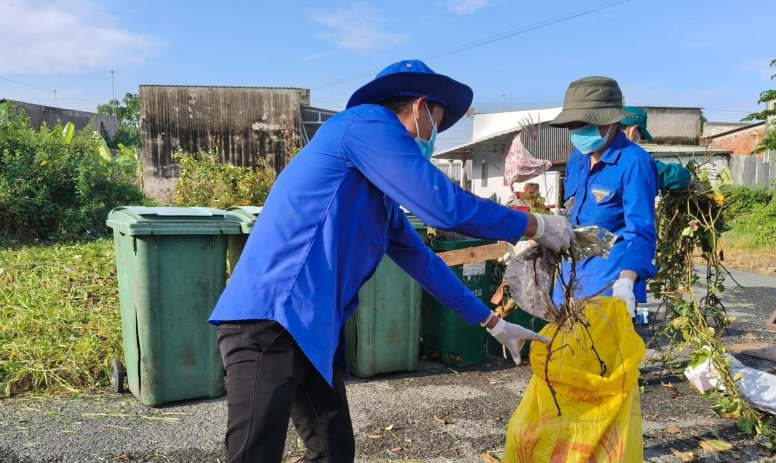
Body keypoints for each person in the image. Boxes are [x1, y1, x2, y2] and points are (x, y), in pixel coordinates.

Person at [207, 59, 575, 463]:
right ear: (419, 107)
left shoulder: (380, 202)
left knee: (333, 452)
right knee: (252, 455)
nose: (433, 137)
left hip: (313, 331)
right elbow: (444, 207)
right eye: (437, 121)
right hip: (269, 321)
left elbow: (427, 265)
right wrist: (534, 224)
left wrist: (494, 323)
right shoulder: (364, 123)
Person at [548, 77, 659, 318]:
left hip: (608, 284)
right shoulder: (577, 159)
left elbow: (641, 231)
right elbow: (571, 214)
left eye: (584, 122)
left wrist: (626, 282)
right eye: (572, 124)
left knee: (600, 352)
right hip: (569, 279)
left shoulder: (634, 163)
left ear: (609, 121)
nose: (577, 130)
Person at [620, 106, 692, 191]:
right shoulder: (634, 159)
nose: (639, 139)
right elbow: (663, 174)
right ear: (633, 130)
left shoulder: (605, 150)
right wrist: (689, 176)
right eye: (640, 135)